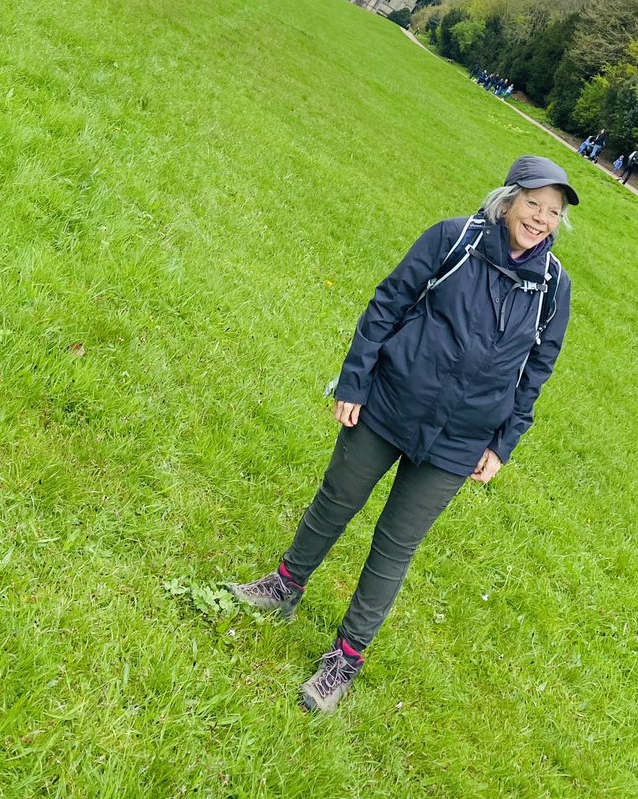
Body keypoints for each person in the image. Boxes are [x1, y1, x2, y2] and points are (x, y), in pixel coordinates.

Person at [226, 156, 578, 714]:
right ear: (509, 200)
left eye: (553, 212)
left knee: (395, 546)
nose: (540, 219)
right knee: (337, 499)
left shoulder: (554, 288)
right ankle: (285, 586)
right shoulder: (454, 239)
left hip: (460, 441)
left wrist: (502, 444)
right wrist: (354, 380)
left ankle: (345, 658)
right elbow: (388, 302)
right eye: (533, 204)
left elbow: (538, 371)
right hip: (390, 402)